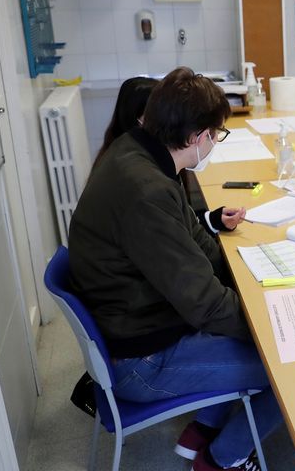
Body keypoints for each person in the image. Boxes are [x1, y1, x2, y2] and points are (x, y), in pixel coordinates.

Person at [68, 67, 280, 471]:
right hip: (142, 362)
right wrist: (270, 329)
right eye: (217, 134)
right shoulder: (146, 190)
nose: (215, 142)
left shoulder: (141, 155)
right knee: (285, 366)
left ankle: (201, 429)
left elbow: (196, 243)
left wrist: (247, 280)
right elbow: (204, 305)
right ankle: (221, 459)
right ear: (197, 137)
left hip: (143, 325)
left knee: (249, 329)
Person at [94, 76, 246, 234]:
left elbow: (180, 225)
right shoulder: (147, 187)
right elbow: (178, 246)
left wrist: (212, 220)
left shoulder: (139, 157)